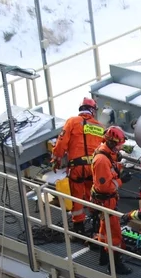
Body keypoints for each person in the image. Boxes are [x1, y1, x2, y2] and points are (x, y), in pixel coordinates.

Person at [51, 98, 104, 235]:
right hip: (93, 167)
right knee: (93, 195)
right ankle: (96, 224)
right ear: (92, 110)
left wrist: (56, 159)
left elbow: (62, 142)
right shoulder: (99, 127)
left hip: (77, 167)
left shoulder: (72, 122)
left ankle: (79, 228)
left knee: (77, 197)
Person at [91, 126, 132, 275]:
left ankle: (103, 256)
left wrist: (118, 161)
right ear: (112, 143)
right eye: (119, 144)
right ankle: (115, 265)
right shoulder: (102, 160)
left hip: (107, 202)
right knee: (114, 234)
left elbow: (111, 168)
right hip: (106, 202)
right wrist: (122, 181)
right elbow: (105, 187)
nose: (120, 147)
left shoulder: (106, 154)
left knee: (104, 230)